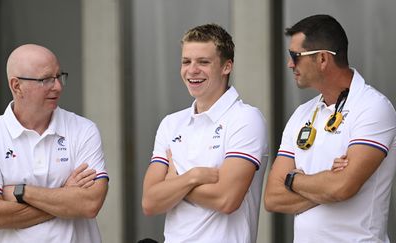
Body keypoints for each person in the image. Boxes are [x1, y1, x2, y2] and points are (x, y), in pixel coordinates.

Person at [264, 14, 396, 242]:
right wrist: (328, 185)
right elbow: (272, 198)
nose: (289, 64)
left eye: (295, 56)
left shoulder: (373, 107)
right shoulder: (301, 113)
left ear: (323, 59)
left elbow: (342, 187)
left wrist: (292, 180)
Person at [0, 44, 109, 243]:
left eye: (59, 77)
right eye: (46, 80)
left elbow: (90, 204)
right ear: (17, 86)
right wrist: (65, 197)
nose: (58, 86)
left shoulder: (83, 129)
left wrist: (21, 192)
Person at [142, 23, 268, 243]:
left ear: (226, 67)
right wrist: (193, 177)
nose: (192, 70)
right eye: (186, 61)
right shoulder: (171, 123)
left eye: (203, 62)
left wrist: (175, 181)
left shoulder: (246, 119)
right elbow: (150, 202)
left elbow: (226, 199)